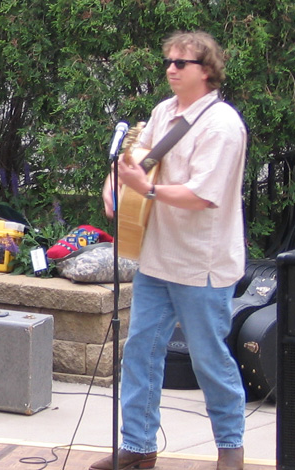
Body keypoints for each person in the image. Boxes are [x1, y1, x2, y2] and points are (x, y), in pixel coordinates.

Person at [95, 31, 246, 470]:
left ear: (208, 72)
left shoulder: (222, 125)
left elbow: (204, 194)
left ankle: (231, 448)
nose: (172, 69)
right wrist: (116, 186)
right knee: (141, 350)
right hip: (157, 258)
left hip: (202, 263)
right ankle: (139, 448)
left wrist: (150, 189)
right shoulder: (163, 111)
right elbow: (135, 158)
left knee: (208, 359)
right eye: (169, 61)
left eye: (182, 62)